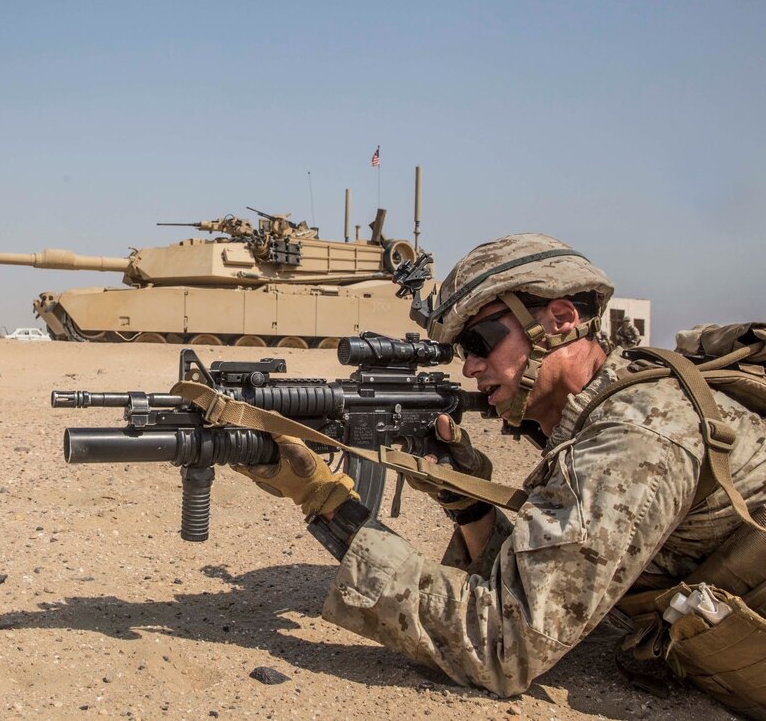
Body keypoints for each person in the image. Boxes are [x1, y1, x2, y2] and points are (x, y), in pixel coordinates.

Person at [233, 233, 766, 702]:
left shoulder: (637, 432)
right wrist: (465, 502)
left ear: (560, 320)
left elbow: (500, 646)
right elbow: (539, 586)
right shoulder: (603, 410)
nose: (468, 366)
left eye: (479, 341)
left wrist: (324, 500)